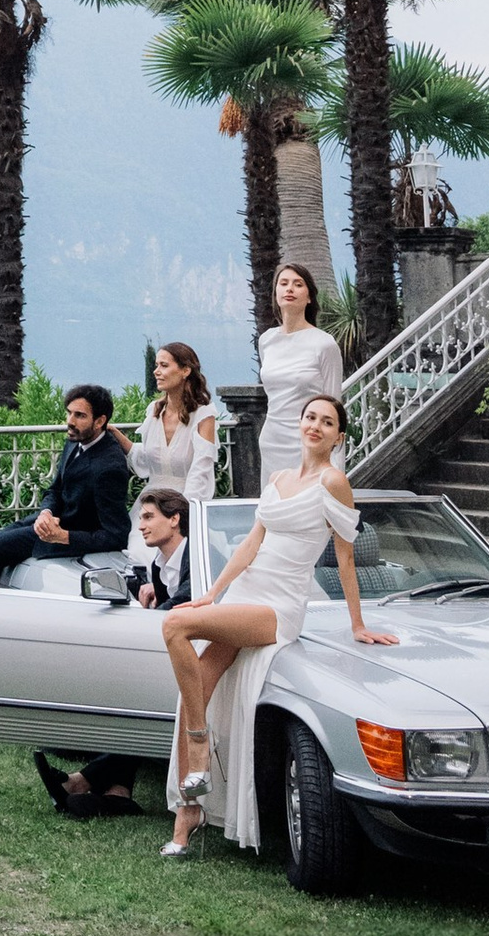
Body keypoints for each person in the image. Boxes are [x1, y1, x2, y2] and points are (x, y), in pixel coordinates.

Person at [157, 390, 396, 858]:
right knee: (197, 689)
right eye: (310, 417)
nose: (315, 426)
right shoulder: (281, 476)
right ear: (299, 424)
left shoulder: (334, 482)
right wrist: (212, 594)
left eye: (327, 422)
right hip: (246, 594)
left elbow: (345, 559)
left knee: (173, 628)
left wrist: (358, 624)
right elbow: (250, 544)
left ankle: (201, 751)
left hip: (280, 605)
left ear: (338, 436)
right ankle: (188, 811)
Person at [33, 487, 195, 820]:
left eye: (149, 517)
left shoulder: (196, 554)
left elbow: (185, 602)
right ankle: (115, 792)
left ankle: (81, 782)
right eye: (141, 518)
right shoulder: (159, 562)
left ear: (175, 519)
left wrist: (153, 611)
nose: (141, 526)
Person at [0, 383, 132, 585]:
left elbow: (117, 535)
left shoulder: (110, 467)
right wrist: (46, 512)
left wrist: (64, 536)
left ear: (100, 421)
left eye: (79, 415)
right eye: (69, 413)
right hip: (47, 524)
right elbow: (55, 490)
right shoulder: (74, 441)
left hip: (65, 537)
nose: (70, 421)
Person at [256, 261, 347, 480]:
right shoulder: (267, 340)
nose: (289, 289)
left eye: (298, 284)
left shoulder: (324, 344)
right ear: (276, 293)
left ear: (309, 297)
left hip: (309, 443)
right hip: (272, 441)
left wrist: (336, 470)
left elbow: (335, 407)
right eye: (283, 283)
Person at [128, 344, 217, 505]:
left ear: (185, 371)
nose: (156, 371)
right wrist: (113, 432)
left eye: (164, 365)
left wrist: (183, 510)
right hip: (150, 503)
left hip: (185, 502)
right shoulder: (154, 411)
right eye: (156, 365)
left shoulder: (203, 415)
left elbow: (201, 469)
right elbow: (147, 458)